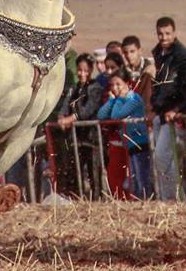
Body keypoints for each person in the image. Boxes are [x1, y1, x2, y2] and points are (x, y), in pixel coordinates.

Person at [150, 16, 186, 200]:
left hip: (174, 116)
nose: (164, 37)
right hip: (161, 113)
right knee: (164, 161)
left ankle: (175, 198)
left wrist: (176, 110)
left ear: (174, 33)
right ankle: (171, 198)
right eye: (160, 34)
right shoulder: (159, 54)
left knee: (163, 156)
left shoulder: (182, 56)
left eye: (167, 33)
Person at [57, 53, 107, 199]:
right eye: (79, 70)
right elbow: (66, 105)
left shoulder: (95, 87)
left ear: (91, 70)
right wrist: (61, 117)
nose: (82, 73)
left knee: (94, 173)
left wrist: (71, 119)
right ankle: (76, 199)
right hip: (75, 138)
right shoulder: (74, 89)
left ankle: (97, 202)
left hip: (91, 138)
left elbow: (88, 109)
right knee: (74, 171)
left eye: (86, 70)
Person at [97, 68, 152, 199]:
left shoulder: (134, 98)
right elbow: (101, 114)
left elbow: (117, 115)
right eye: (112, 85)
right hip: (130, 145)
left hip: (140, 144)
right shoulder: (119, 100)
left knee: (141, 178)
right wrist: (112, 100)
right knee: (134, 178)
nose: (115, 88)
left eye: (118, 85)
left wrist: (118, 100)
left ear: (127, 83)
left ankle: (146, 201)